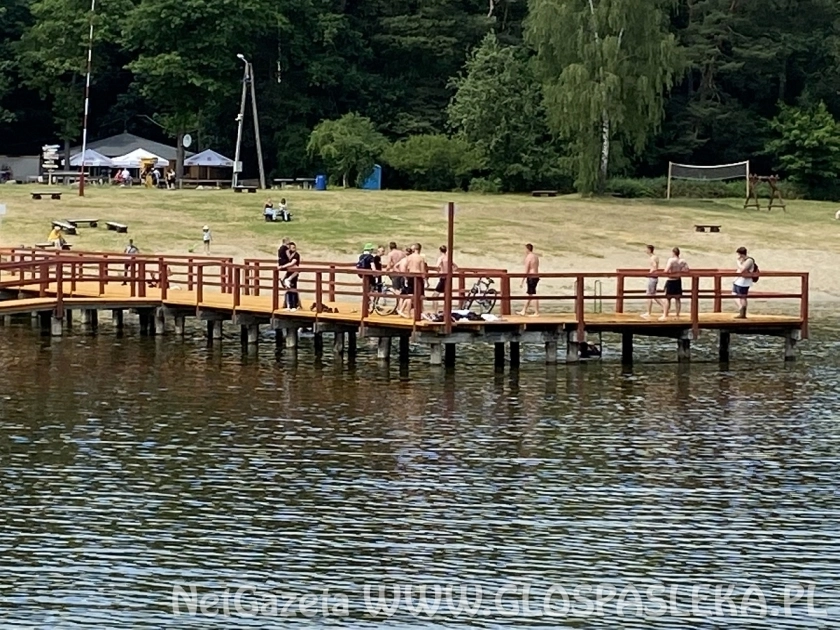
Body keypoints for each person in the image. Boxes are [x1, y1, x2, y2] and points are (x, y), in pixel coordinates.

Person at [398, 243, 427, 318]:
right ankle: (419, 313)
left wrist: (406, 277)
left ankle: (405, 312)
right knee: (420, 296)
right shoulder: (420, 258)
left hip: (410, 276)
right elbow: (422, 270)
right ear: (419, 249)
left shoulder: (409, 257)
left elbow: (405, 268)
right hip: (418, 277)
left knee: (410, 296)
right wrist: (425, 279)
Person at [660, 247, 689, 320]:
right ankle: (677, 315)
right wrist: (679, 271)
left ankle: (665, 315)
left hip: (671, 280)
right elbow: (687, 270)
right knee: (677, 299)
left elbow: (666, 270)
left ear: (673, 253)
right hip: (678, 280)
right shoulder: (682, 261)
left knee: (668, 298)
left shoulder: (671, 260)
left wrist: (668, 271)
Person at [641, 244, 664, 319]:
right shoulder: (655, 257)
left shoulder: (652, 258)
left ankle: (648, 312)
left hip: (652, 277)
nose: (645, 251)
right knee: (653, 294)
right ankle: (664, 306)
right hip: (655, 277)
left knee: (649, 294)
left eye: (646, 249)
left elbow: (654, 267)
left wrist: (649, 274)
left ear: (649, 250)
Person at [733, 246, 756, 319]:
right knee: (734, 294)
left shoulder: (749, 260)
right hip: (739, 281)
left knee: (742, 297)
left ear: (741, 254)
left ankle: (743, 313)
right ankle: (741, 308)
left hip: (744, 282)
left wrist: (738, 262)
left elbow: (742, 269)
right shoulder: (743, 260)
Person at [519, 243, 540, 316]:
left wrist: (522, 281)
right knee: (530, 294)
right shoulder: (535, 257)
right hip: (536, 276)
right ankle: (523, 310)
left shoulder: (528, 257)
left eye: (525, 249)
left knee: (532, 294)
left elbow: (526, 270)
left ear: (527, 249)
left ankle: (536, 312)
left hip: (531, 277)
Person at [282, 242, 301, 310]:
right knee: (288, 289)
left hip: (294, 274)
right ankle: (289, 305)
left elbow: (293, 263)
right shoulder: (288, 255)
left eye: (294, 247)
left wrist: (282, 266)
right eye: (292, 247)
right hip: (289, 273)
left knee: (293, 289)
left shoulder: (296, 255)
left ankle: (294, 306)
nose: (294, 248)